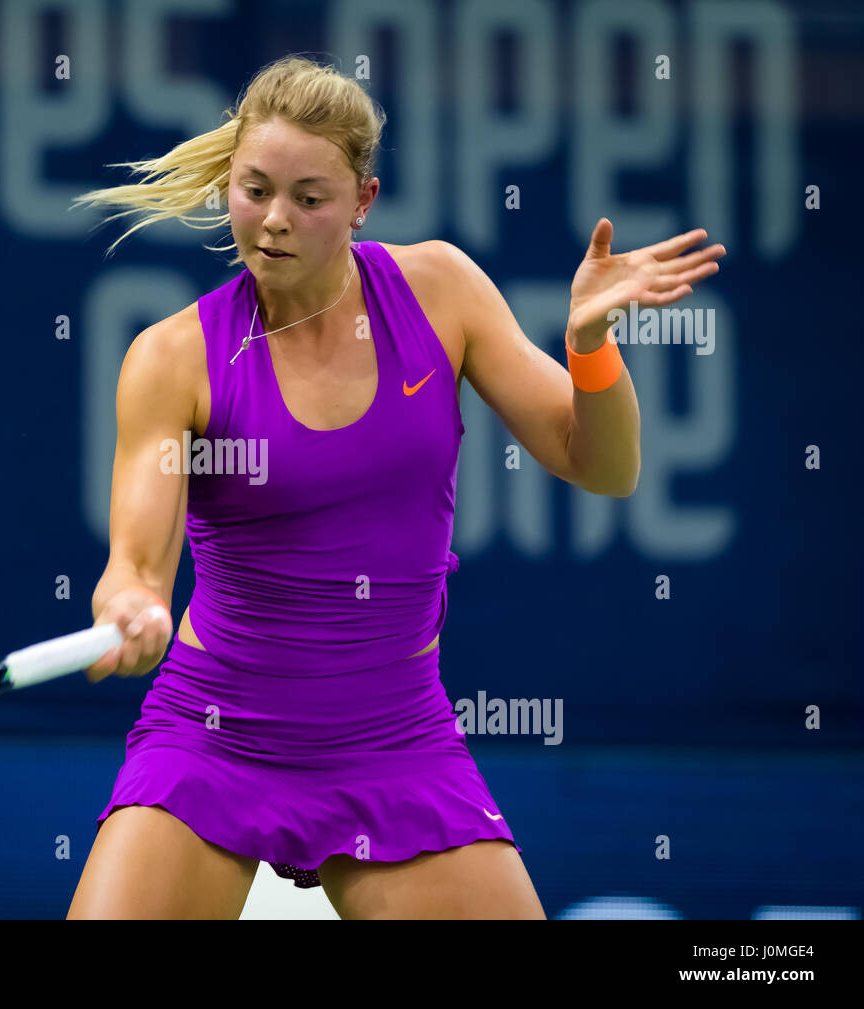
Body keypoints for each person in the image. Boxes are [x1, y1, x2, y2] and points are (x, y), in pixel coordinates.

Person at [65, 55, 723, 919]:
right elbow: (136, 569)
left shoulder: (441, 291)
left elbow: (601, 464)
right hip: (213, 735)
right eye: (254, 189)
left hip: (394, 737)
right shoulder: (171, 357)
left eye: (310, 197)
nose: (273, 221)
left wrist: (590, 344)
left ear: (363, 201)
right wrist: (130, 610)